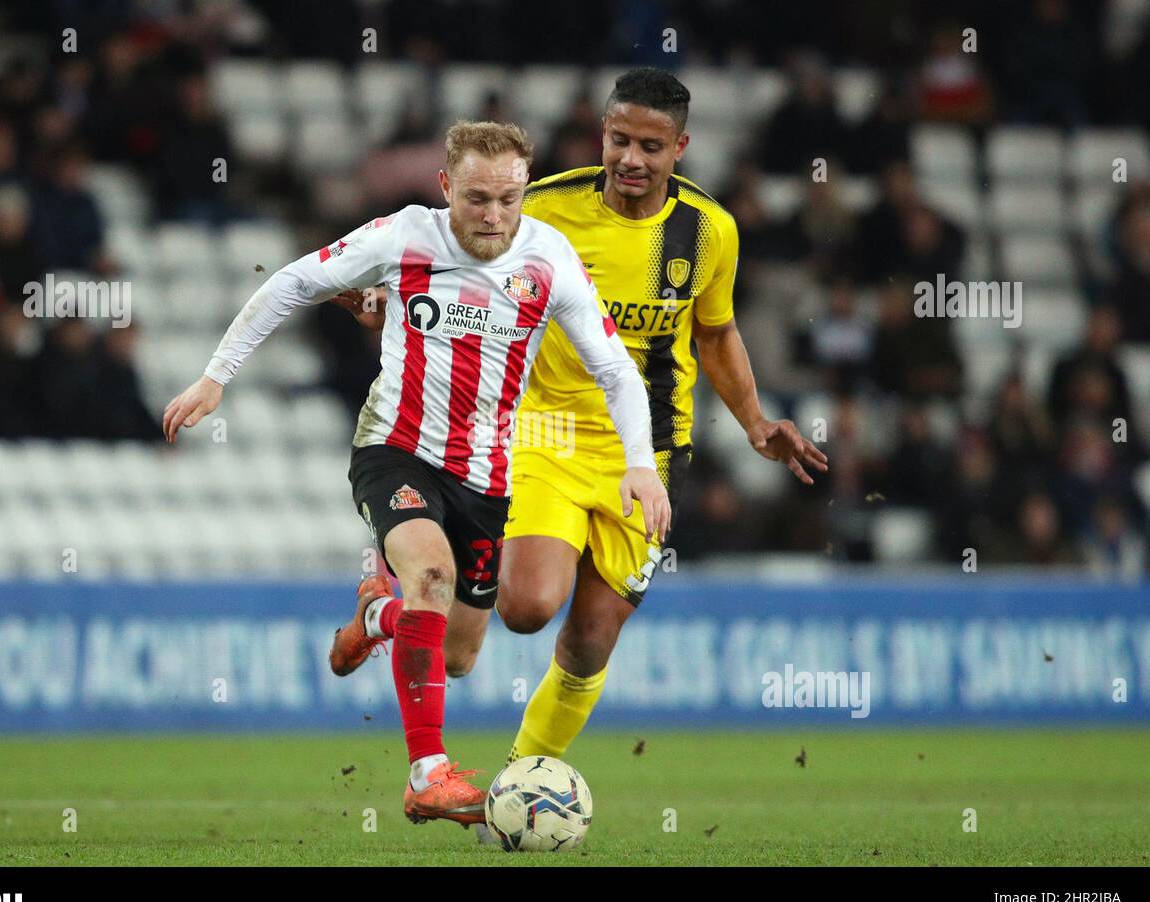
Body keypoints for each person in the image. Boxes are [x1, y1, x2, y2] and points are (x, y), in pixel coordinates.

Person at [162, 121, 668, 827]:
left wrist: (640, 467)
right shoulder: (405, 236)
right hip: (395, 449)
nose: (493, 216)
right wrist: (215, 379)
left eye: (508, 199)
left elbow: (615, 368)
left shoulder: (549, 258)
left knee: (456, 657)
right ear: (445, 188)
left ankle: (377, 615)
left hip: (487, 477)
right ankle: (427, 775)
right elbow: (294, 281)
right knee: (430, 575)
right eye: (476, 198)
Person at [330, 70, 825, 775]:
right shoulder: (547, 208)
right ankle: (395, 600)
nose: (631, 158)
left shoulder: (709, 231)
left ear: (679, 147)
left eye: (650, 146)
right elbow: (460, 269)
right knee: (528, 605)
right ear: (603, 133)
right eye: (619, 139)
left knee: (592, 636)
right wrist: (390, 308)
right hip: (543, 431)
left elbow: (714, 333)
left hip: (648, 447)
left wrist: (753, 422)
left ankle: (519, 782)